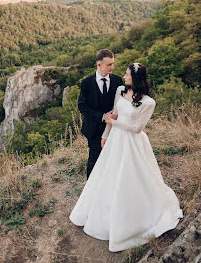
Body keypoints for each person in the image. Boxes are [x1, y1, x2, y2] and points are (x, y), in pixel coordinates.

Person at [70, 62, 183, 252]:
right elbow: (114, 114)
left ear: (135, 77)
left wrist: (113, 124)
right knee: (108, 175)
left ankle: (133, 218)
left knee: (131, 178)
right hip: (115, 140)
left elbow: (137, 128)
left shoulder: (148, 102)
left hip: (132, 143)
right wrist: (106, 134)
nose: (124, 75)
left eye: (127, 73)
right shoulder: (121, 91)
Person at [78, 49, 123, 179]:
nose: (112, 67)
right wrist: (103, 116)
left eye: (113, 63)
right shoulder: (86, 82)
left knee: (112, 158)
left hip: (114, 127)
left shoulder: (117, 81)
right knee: (94, 158)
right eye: (109, 64)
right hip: (93, 128)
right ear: (99, 65)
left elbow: (121, 104)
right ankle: (90, 189)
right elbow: (82, 106)